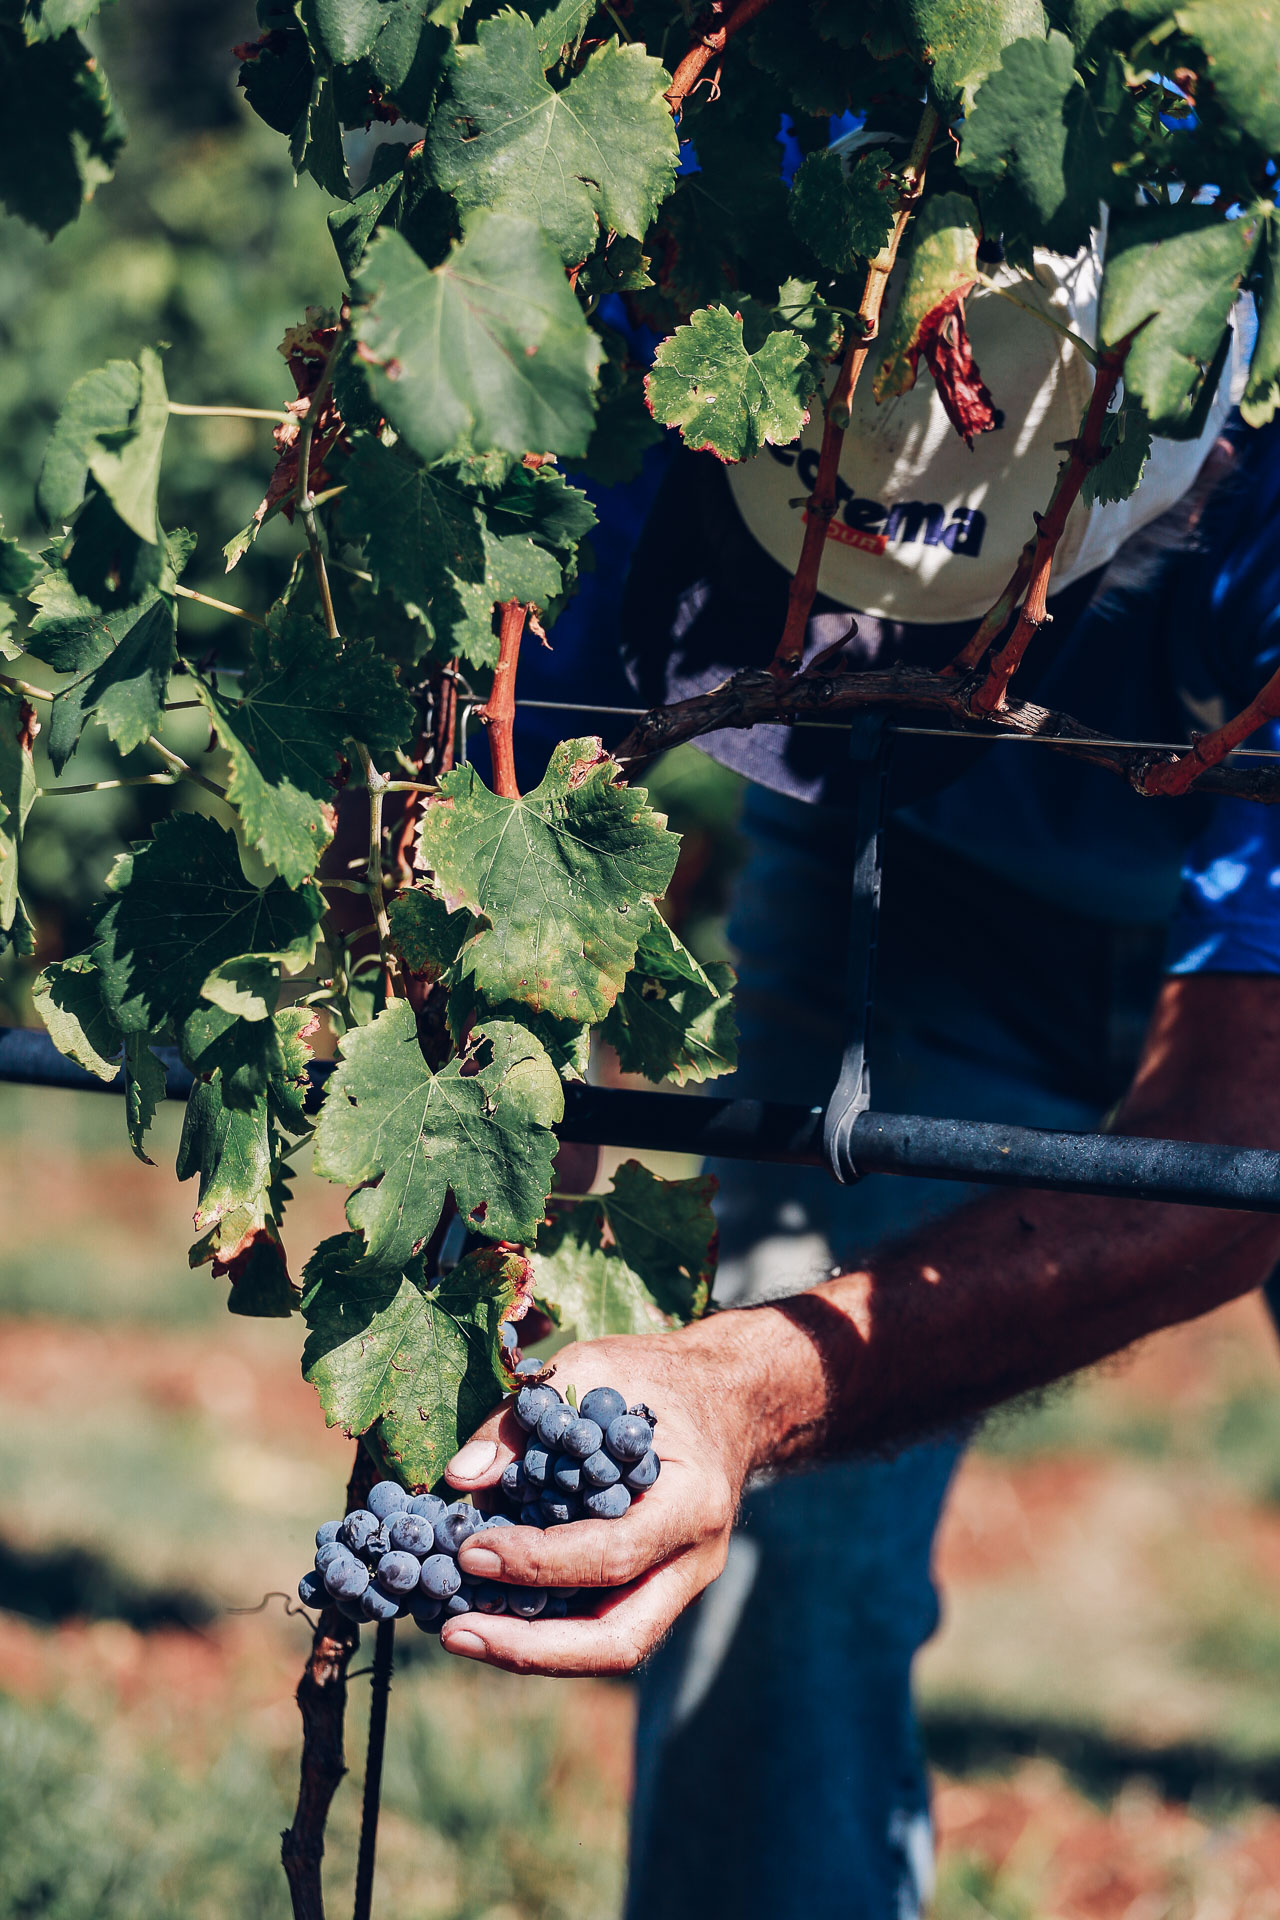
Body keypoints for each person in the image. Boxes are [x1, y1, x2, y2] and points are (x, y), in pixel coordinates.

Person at [445, 252, 1280, 1920]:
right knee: (776, 1574)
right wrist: (511, 1263)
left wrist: (749, 1387)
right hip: (917, 885)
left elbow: (1245, 1149)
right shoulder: (677, 292)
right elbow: (505, 833)